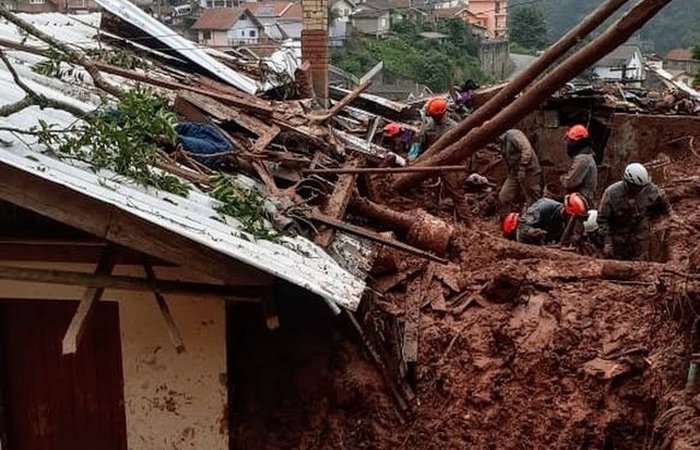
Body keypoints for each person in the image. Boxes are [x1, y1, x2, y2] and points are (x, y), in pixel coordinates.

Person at [597, 163, 672, 261]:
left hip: (640, 237)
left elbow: (665, 206)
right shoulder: (611, 194)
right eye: (636, 187)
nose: (639, 190)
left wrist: (668, 220)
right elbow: (602, 219)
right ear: (627, 183)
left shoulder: (650, 189)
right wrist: (607, 242)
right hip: (618, 240)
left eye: (642, 187)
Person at [502, 193, 587, 245]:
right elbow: (522, 227)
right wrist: (535, 232)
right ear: (568, 212)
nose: (573, 221)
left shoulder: (563, 221)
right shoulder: (543, 207)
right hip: (528, 238)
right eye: (574, 218)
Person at [498, 129, 543, 217]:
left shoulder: (513, 135)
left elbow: (526, 148)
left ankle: (534, 223)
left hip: (529, 171)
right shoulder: (502, 142)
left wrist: (523, 166)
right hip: (514, 173)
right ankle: (508, 223)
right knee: (504, 197)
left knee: (533, 198)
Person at [561, 124, 598, 203]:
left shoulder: (583, 159)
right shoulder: (585, 156)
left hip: (581, 202)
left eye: (570, 141)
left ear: (576, 143)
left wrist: (562, 178)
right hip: (580, 199)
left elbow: (570, 183)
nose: (568, 143)